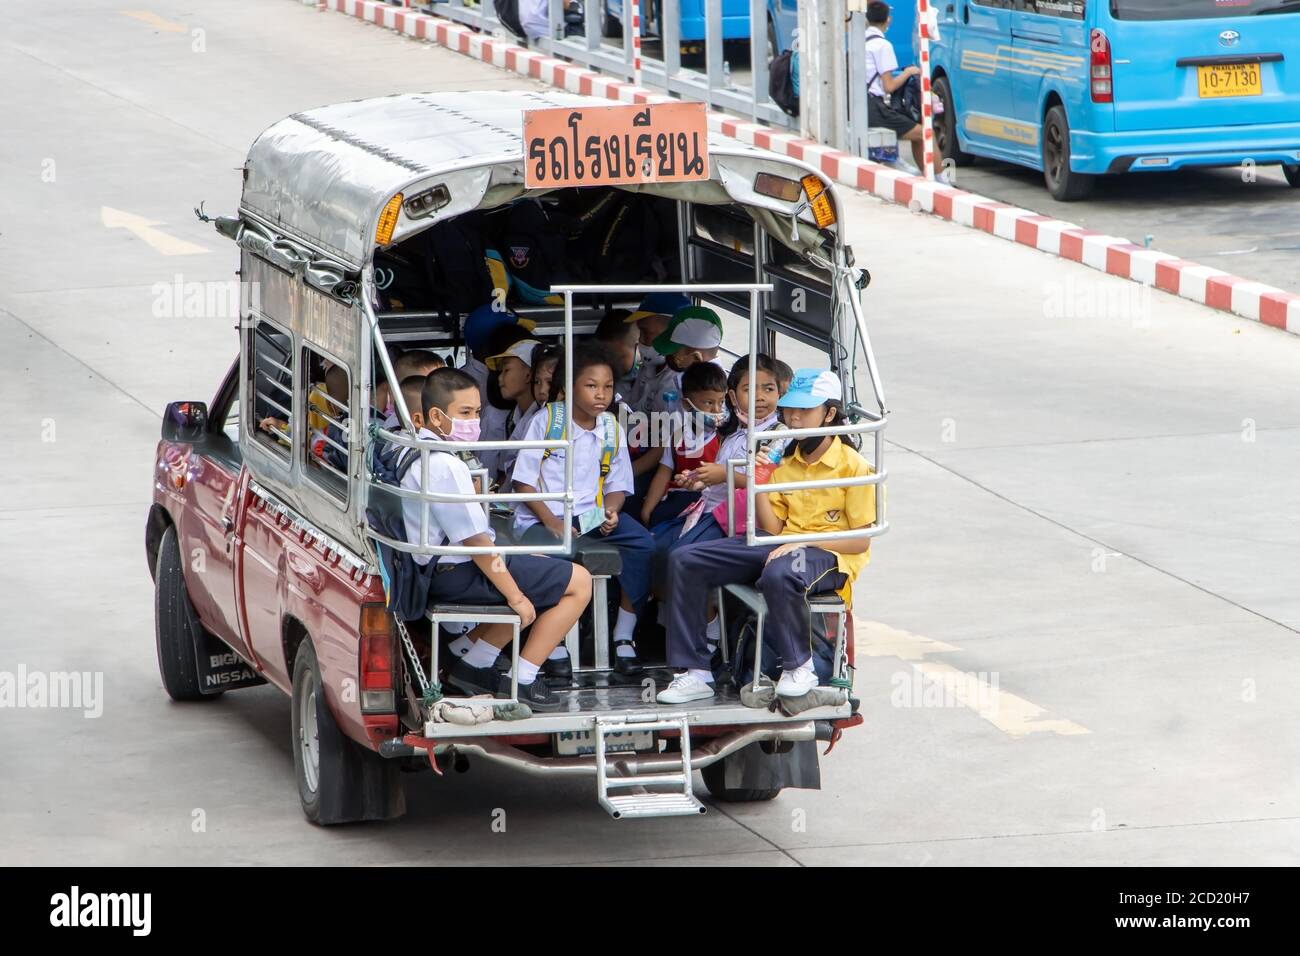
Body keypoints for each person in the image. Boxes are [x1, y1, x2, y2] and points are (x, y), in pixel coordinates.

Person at [657, 369, 877, 704]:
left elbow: (860, 541)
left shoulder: (854, 466)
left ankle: (799, 666)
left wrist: (802, 542)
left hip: (831, 553)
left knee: (781, 572)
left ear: (829, 413)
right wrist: (760, 480)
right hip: (782, 542)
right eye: (791, 410)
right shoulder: (787, 460)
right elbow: (773, 529)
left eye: (805, 410)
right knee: (686, 558)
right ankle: (696, 672)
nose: (794, 417)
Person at [402, 367, 592, 711]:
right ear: (435, 416)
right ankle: (521, 678)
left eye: (477, 412)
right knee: (579, 582)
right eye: (464, 413)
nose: (473, 421)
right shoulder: (447, 465)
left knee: (540, 570)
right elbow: (476, 543)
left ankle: (471, 658)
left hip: (435, 568)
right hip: (454, 573)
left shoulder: (414, 449)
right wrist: (516, 596)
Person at [511, 344, 654, 677]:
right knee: (552, 557)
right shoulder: (546, 421)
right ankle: (553, 639)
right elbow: (523, 484)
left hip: (591, 514)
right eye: (591, 386)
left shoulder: (610, 427)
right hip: (540, 516)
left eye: (607, 386)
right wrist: (552, 521)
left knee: (644, 545)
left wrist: (612, 510)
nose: (601, 394)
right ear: (569, 387)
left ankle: (623, 636)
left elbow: (618, 484)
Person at [641, 359, 727, 532]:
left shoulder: (724, 437)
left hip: (710, 503)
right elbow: (664, 472)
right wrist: (647, 509)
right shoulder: (678, 435)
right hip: (679, 497)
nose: (716, 409)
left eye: (721, 402)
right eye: (709, 403)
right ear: (687, 404)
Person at [864, 1, 945, 181]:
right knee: (926, 133)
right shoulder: (882, 45)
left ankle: (927, 177)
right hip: (874, 109)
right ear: (888, 20)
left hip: (862, 105)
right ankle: (941, 181)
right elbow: (889, 86)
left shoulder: (862, 40)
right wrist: (908, 72)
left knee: (916, 133)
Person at [484, 337, 541, 483]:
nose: (500, 378)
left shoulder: (544, 419)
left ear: (528, 374)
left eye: (506, 370)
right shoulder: (513, 419)